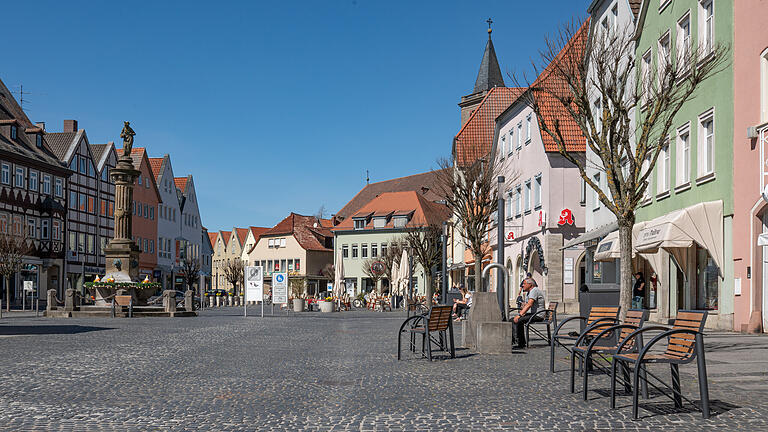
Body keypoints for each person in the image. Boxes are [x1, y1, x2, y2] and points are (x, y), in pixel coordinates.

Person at [512, 277, 546, 348]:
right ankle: (514, 341)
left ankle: (521, 343)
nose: (522, 286)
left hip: (538, 315)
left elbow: (529, 304)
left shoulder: (534, 290)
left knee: (519, 320)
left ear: (530, 284)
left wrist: (520, 315)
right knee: (512, 320)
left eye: (524, 284)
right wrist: (523, 305)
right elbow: (527, 304)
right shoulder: (529, 292)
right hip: (534, 314)